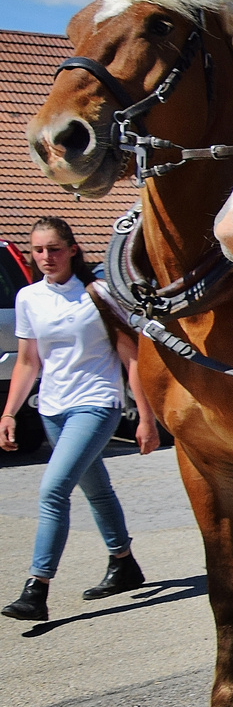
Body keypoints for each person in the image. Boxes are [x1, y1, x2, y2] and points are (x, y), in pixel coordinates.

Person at [1, 217, 158, 622]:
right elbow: (27, 360)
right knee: (97, 490)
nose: (45, 258)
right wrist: (9, 412)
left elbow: (132, 356)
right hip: (52, 408)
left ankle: (37, 587)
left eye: (53, 249)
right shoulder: (29, 298)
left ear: (72, 249)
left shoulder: (100, 294)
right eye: (38, 250)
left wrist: (145, 417)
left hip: (97, 403)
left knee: (53, 489)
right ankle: (123, 562)